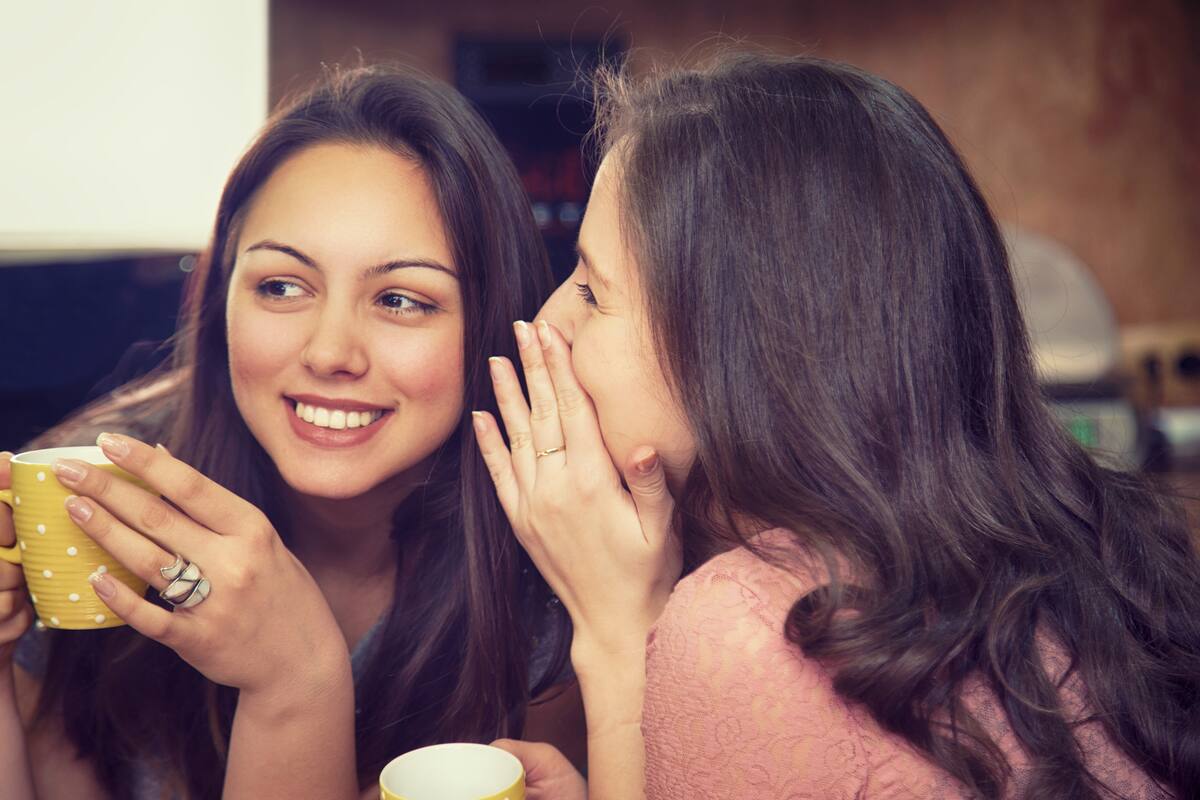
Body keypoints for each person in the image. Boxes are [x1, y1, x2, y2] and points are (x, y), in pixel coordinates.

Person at [474, 53, 1200, 799]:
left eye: (592, 291)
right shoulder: (1112, 539)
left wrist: (616, 635)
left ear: (745, 352)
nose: (548, 323)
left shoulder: (744, 627)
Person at [0, 64, 582, 799]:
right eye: (281, 286)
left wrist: (297, 678)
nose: (330, 352)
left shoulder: (551, 566)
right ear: (221, 296)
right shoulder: (88, 498)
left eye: (401, 299)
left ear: (490, 321)